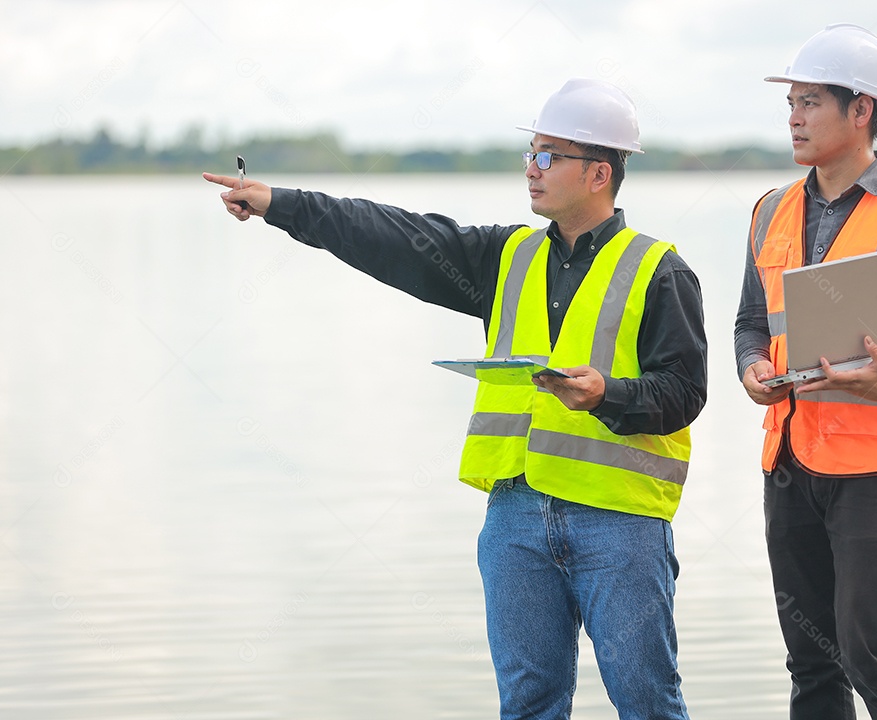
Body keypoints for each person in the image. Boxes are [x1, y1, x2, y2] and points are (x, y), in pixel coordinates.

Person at [205, 78, 707, 719]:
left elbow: (685, 391)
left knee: (647, 704)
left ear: (599, 173)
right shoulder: (507, 256)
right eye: (531, 153)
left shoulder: (659, 269)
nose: (531, 168)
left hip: (620, 524)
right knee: (528, 704)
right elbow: (397, 237)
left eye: (548, 156)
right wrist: (283, 204)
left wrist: (607, 394)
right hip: (516, 517)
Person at [734, 24, 877, 720]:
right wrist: (751, 367)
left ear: (862, 110)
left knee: (873, 653)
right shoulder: (770, 210)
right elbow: (752, 322)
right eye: (792, 104)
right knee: (812, 663)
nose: (794, 117)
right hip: (791, 461)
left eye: (811, 102)